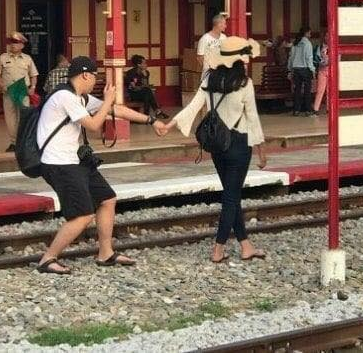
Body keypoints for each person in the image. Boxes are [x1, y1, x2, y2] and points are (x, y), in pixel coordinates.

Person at [36, 56, 167, 275]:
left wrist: (151, 121)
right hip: (59, 163)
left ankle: (105, 253)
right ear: (85, 75)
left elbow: (117, 110)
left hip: (74, 160)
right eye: (95, 77)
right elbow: (95, 125)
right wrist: (107, 101)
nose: (95, 82)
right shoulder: (64, 97)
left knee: (107, 199)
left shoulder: (81, 97)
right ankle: (47, 259)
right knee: (83, 215)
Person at [163, 37, 267, 263]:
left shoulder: (209, 79)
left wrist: (170, 124)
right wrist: (261, 150)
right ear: (239, 60)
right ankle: (218, 249)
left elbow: (193, 106)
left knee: (232, 195)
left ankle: (245, 245)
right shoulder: (244, 83)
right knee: (231, 197)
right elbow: (252, 118)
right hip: (239, 144)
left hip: (217, 145)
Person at [0, 32, 39, 153]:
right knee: (10, 118)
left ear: (22, 45)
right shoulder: (3, 58)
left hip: (23, 92)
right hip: (9, 92)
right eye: (12, 42)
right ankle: (14, 142)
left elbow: (33, 75)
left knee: (24, 116)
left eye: (16, 43)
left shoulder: (27, 59)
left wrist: (33, 87)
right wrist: (2, 85)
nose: (13, 45)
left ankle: (24, 142)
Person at [124, 54, 169, 119]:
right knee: (147, 92)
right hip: (133, 94)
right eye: (144, 63)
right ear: (139, 65)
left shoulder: (146, 72)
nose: (146, 65)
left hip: (143, 93)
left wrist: (144, 76)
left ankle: (147, 115)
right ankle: (156, 112)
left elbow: (145, 85)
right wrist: (142, 87)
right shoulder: (131, 73)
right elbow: (133, 87)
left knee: (147, 93)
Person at [288, 26, 316, 116]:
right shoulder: (307, 43)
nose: (310, 35)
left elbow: (291, 57)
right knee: (307, 91)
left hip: (296, 69)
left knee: (297, 90)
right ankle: (308, 110)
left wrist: (290, 69)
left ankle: (296, 110)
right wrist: (312, 69)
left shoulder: (295, 43)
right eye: (310, 33)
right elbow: (309, 58)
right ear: (306, 33)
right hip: (305, 69)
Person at [312, 31, 329, 115]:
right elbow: (316, 58)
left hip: (332, 70)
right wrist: (321, 62)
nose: (327, 38)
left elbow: (338, 58)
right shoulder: (319, 47)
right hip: (322, 70)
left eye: (329, 36)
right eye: (326, 36)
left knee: (330, 91)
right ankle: (316, 109)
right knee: (320, 90)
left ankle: (329, 108)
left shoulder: (335, 47)